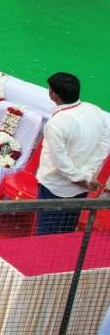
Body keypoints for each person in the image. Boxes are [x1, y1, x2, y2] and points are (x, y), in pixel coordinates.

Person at [35, 72, 110, 234]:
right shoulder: (94, 110)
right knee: (67, 232)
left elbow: (60, 162)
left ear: (53, 95)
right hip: (80, 189)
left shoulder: (56, 124)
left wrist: (81, 178)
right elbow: (104, 145)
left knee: (46, 236)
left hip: (54, 189)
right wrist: (87, 174)